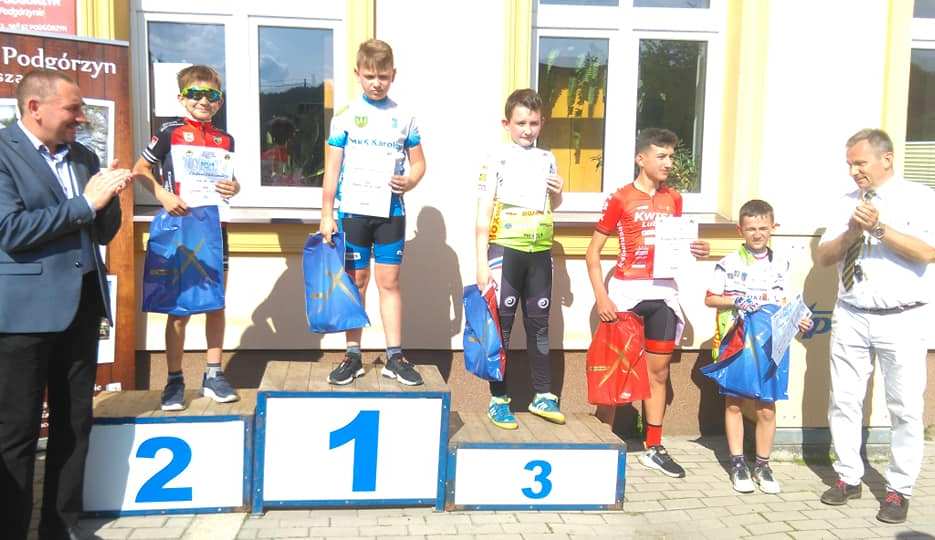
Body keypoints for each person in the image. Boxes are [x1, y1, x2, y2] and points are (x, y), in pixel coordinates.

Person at [0, 69, 130, 540]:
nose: (82, 118)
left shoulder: (83, 155)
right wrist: (85, 204)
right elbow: (10, 230)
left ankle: (62, 527)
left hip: (81, 308)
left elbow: (101, 232)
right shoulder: (3, 153)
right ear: (35, 107)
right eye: (73, 109)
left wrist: (109, 197)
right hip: (22, 317)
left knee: (74, 425)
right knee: (16, 433)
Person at [815, 128, 935, 524]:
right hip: (852, 312)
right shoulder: (845, 203)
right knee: (844, 399)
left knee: (905, 407)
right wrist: (852, 231)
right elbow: (823, 258)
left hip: (902, 316)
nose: (853, 171)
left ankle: (899, 489)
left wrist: (880, 229)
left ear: (887, 159)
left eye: (860, 163)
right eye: (849, 164)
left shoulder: (919, 198)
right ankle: (848, 476)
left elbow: (928, 251)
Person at [585, 128, 709, 478]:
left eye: (672, 156)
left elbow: (677, 247)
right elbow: (592, 253)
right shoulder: (620, 198)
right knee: (615, 372)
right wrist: (601, 296)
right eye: (661, 156)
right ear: (641, 159)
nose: (669, 163)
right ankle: (602, 445)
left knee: (659, 372)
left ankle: (653, 447)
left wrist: (698, 249)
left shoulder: (675, 199)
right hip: (626, 294)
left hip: (663, 296)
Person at [133, 65, 241, 411]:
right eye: (195, 94)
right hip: (179, 229)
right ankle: (175, 379)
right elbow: (139, 170)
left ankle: (213, 373)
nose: (203, 101)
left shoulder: (226, 139)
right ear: (182, 98)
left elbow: (229, 181)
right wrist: (162, 195)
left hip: (213, 228)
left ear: (219, 101)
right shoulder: (169, 132)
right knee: (178, 308)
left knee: (216, 303)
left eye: (212, 95)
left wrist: (235, 187)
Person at [320, 39, 426, 386]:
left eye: (383, 76)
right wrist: (326, 213)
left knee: (389, 282)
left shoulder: (404, 117)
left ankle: (395, 356)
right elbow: (332, 169)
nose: (376, 83)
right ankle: (352, 355)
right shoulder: (345, 116)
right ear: (358, 74)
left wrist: (410, 180)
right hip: (353, 211)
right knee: (356, 282)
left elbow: (419, 163)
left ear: (393, 75)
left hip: (390, 212)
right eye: (369, 76)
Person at [704, 199, 812, 494]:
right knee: (734, 402)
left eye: (763, 228)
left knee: (766, 407)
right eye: (751, 229)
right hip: (738, 339)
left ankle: (762, 465)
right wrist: (736, 300)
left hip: (771, 341)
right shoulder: (728, 263)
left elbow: (787, 302)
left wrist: (801, 319)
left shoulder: (782, 263)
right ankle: (738, 462)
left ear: (772, 228)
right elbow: (710, 298)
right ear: (740, 230)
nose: (757, 234)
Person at [474, 89, 565, 430]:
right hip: (504, 250)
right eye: (521, 123)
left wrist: (559, 192)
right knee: (503, 328)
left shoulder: (547, 158)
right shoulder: (496, 158)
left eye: (534, 123)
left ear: (542, 123)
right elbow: (483, 213)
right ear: (506, 124)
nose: (528, 130)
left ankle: (542, 395)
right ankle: (498, 399)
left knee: (539, 326)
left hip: (539, 251)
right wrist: (481, 262)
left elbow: (553, 204)